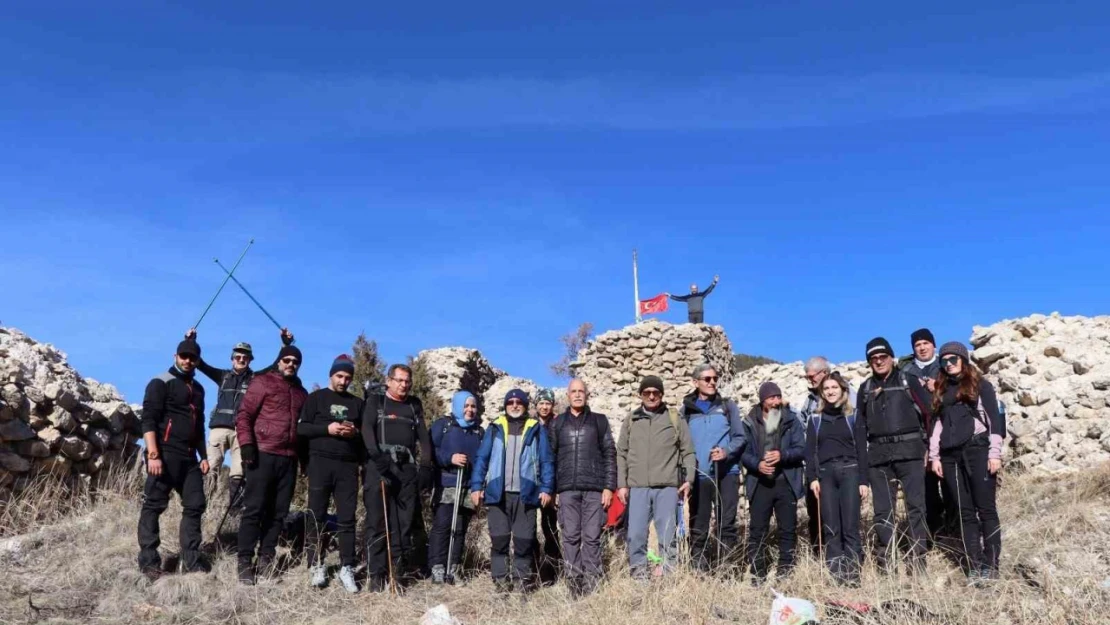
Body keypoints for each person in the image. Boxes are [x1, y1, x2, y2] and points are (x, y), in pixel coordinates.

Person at [186, 326, 293, 511]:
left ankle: (235, 513)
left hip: (242, 431)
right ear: (232, 359)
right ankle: (202, 508)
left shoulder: (256, 378)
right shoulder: (223, 376)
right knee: (210, 468)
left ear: (250, 360)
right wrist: (190, 341)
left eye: (245, 357)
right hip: (218, 429)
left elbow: (276, 365)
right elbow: (200, 364)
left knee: (238, 472)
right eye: (238, 356)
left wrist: (285, 344)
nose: (241, 359)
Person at [929, 342, 1005, 582]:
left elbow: (995, 420)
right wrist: (935, 457)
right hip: (950, 456)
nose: (949, 364)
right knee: (965, 512)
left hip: (978, 451)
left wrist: (994, 453)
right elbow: (938, 425)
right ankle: (973, 564)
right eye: (944, 361)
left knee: (986, 509)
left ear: (963, 359)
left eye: (953, 359)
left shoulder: (981, 385)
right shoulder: (941, 390)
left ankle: (991, 564)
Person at [858, 337, 933, 574]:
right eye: (874, 359)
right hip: (879, 457)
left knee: (916, 508)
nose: (879, 362)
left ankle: (917, 562)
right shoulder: (865, 388)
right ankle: (885, 566)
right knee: (883, 511)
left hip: (911, 453)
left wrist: (930, 449)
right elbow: (860, 428)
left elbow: (929, 413)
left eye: (883, 357)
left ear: (891, 358)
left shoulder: (908, 380)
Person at [137, 338, 210, 580]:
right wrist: (153, 454)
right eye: (184, 356)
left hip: (189, 458)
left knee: (195, 505)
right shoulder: (160, 382)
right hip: (164, 454)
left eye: (192, 358)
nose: (188, 361)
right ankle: (149, 563)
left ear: (198, 361)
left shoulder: (199, 389)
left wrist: (204, 456)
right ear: (175, 356)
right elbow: (148, 419)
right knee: (154, 506)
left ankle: (191, 561)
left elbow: (199, 427)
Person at [235, 344, 308, 585]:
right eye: (286, 360)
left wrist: (304, 459)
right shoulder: (263, 382)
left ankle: (266, 557)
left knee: (278, 513)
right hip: (262, 453)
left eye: (295, 362)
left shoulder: (301, 393)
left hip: (289, 458)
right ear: (278, 361)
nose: (290, 364)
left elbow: (304, 430)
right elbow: (244, 415)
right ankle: (245, 561)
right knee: (254, 509)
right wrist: (247, 444)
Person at [471, 389, 555, 593]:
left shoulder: (535, 428)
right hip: (497, 494)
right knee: (499, 540)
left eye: (519, 402)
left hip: (526, 494)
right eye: (511, 402)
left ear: (525, 405)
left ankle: (521, 582)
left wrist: (546, 488)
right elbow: (482, 458)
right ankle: (500, 583)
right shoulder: (495, 427)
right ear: (505, 405)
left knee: (523, 541)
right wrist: (476, 486)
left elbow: (546, 460)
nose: (515, 405)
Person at [361, 364, 435, 592]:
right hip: (380, 467)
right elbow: (366, 429)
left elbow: (424, 437)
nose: (404, 385)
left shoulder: (414, 405)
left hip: (407, 469)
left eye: (407, 382)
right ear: (388, 380)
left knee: (403, 525)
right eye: (399, 380)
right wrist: (376, 457)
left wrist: (425, 466)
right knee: (378, 521)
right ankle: (376, 574)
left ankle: (398, 574)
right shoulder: (376, 401)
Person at [616, 376, 696, 580]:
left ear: (661, 394)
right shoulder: (631, 419)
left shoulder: (674, 418)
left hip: (667, 488)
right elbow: (621, 453)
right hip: (638, 488)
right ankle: (639, 578)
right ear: (640, 395)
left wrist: (689, 479)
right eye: (646, 393)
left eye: (655, 392)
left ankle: (670, 578)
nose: (651, 396)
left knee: (668, 536)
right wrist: (622, 485)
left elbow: (688, 452)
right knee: (635, 535)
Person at [297, 354, 363, 593]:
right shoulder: (315, 398)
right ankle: (316, 564)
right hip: (320, 463)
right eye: (340, 376)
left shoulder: (358, 403)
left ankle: (347, 567)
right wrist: (328, 428)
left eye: (348, 377)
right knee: (316, 516)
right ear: (331, 375)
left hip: (347, 466)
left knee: (347, 518)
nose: (344, 381)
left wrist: (354, 432)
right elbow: (301, 428)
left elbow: (366, 436)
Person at [548, 379, 616, 597]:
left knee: (592, 537)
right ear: (567, 395)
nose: (577, 395)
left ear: (587, 395)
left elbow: (609, 454)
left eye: (581, 391)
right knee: (570, 537)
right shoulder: (557, 423)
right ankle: (574, 583)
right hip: (567, 490)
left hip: (594, 490)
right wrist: (553, 490)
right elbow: (551, 458)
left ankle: (592, 583)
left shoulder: (599, 421)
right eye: (573, 391)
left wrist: (609, 487)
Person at [805, 372, 869, 586]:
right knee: (831, 526)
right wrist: (812, 477)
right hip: (825, 475)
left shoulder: (854, 415)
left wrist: (863, 480)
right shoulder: (815, 419)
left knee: (850, 525)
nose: (830, 391)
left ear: (843, 390)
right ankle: (835, 575)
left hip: (850, 471)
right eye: (826, 389)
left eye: (834, 387)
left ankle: (852, 576)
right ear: (822, 393)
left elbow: (862, 449)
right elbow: (810, 451)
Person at [678, 364, 744, 572]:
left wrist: (726, 451)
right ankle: (699, 570)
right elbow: (680, 444)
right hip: (699, 475)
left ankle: (727, 570)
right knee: (698, 525)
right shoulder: (686, 411)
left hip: (727, 473)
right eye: (707, 379)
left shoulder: (727, 406)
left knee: (727, 524)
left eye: (715, 378)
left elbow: (740, 437)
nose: (712, 382)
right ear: (695, 382)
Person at [740, 382, 805, 584]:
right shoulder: (750, 422)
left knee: (788, 528)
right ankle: (758, 574)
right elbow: (743, 452)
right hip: (760, 483)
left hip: (785, 481)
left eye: (778, 396)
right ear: (763, 400)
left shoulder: (791, 420)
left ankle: (785, 572)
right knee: (758, 530)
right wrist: (758, 465)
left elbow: (801, 448)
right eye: (771, 398)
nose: (776, 401)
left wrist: (782, 455)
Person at [797, 356, 856, 557]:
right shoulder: (809, 402)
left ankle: (852, 567)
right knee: (825, 518)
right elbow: (806, 432)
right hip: (821, 467)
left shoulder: (850, 398)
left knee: (848, 521)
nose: (809, 380)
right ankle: (828, 561)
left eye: (811, 376)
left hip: (848, 467)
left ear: (823, 373)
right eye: (806, 377)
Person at [899, 328, 952, 544]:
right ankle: (932, 533)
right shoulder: (905, 371)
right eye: (917, 345)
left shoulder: (946, 365)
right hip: (918, 436)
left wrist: (938, 387)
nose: (921, 347)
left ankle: (953, 530)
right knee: (926, 488)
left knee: (950, 484)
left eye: (925, 343)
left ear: (933, 345)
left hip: (947, 432)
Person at [428, 391, 484, 584]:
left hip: (467, 486)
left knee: (460, 529)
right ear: (458, 406)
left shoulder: (478, 431)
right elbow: (431, 451)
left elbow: (482, 459)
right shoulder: (443, 425)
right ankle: (437, 567)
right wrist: (449, 459)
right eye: (466, 406)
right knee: (442, 526)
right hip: (446, 482)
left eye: (473, 406)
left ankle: (454, 568)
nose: (469, 410)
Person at [533, 387, 562, 585]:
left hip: (551, 484)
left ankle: (552, 571)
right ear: (536, 405)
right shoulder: (530, 425)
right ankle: (533, 567)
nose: (544, 406)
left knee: (549, 528)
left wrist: (555, 489)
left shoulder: (558, 425)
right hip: (531, 483)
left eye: (547, 403)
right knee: (527, 529)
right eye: (541, 403)